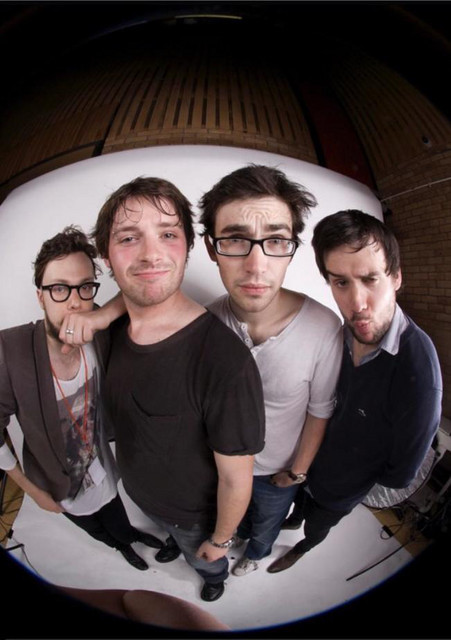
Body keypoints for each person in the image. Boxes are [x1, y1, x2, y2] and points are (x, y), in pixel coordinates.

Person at [80, 176, 265, 602]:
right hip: (144, 499)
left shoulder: (226, 364)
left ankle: (214, 577)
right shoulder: (113, 329)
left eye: (167, 234)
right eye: (129, 238)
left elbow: (236, 479)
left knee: (202, 558)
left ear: (188, 246)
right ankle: (173, 540)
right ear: (107, 256)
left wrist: (219, 541)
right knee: (173, 536)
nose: (150, 254)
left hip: (196, 519)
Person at [267, 209, 443, 573]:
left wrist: (350, 467)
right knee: (297, 509)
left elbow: (399, 475)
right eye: (341, 282)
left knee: (316, 528)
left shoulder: (418, 372)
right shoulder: (336, 333)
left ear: (396, 277)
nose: (357, 303)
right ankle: (293, 519)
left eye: (370, 279)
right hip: (303, 467)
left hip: (338, 490)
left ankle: (302, 548)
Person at [196, 165, 343, 576]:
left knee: (266, 527)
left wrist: (296, 473)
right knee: (236, 521)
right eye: (235, 240)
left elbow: (320, 410)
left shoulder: (324, 328)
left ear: (292, 248)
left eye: (276, 240)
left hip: (279, 472)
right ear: (211, 248)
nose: (256, 265)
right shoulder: (204, 323)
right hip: (221, 468)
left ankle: (257, 556)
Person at [0, 227, 164, 572]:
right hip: (58, 486)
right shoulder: (9, 351)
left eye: (85, 287)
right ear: (40, 296)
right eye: (59, 288)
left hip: (104, 468)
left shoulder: (97, 327)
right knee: (96, 528)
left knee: (116, 515)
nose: (75, 302)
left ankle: (128, 538)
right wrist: (32, 491)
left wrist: (103, 314)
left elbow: (141, 291)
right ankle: (118, 545)